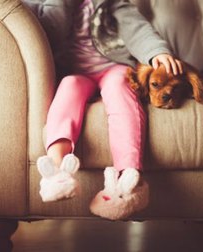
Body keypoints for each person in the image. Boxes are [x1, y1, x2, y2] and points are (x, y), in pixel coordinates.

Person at [23, 0, 183, 220]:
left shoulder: (112, 4)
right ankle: (57, 169)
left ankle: (128, 178)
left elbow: (137, 29)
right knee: (68, 88)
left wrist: (156, 52)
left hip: (112, 68)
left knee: (120, 88)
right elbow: (47, 30)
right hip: (74, 72)